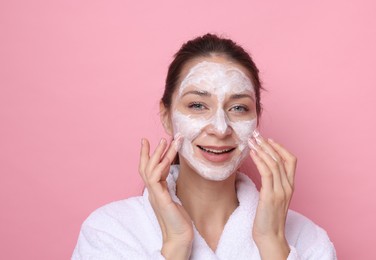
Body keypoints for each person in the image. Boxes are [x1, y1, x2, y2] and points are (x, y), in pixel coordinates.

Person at [72, 33, 336, 259]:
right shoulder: (110, 230)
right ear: (166, 116)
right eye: (197, 105)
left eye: (239, 108)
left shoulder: (307, 239)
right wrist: (175, 246)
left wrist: (272, 243)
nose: (220, 128)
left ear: (256, 119)